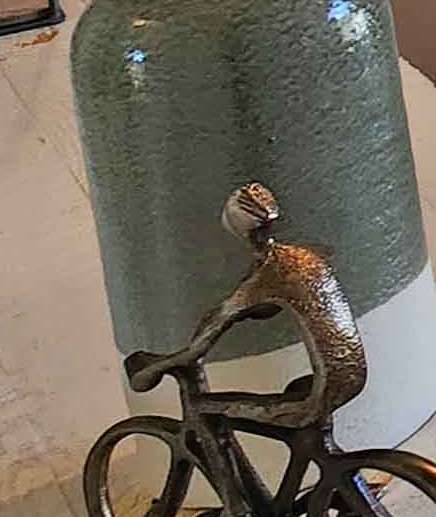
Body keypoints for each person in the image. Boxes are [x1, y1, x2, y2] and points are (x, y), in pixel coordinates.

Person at [123, 182, 367, 438]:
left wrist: (156, 367)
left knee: (212, 405)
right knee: (292, 401)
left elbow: (204, 340)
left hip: (320, 394)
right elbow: (284, 299)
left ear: (238, 230)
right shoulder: (301, 254)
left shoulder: (263, 275)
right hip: (353, 378)